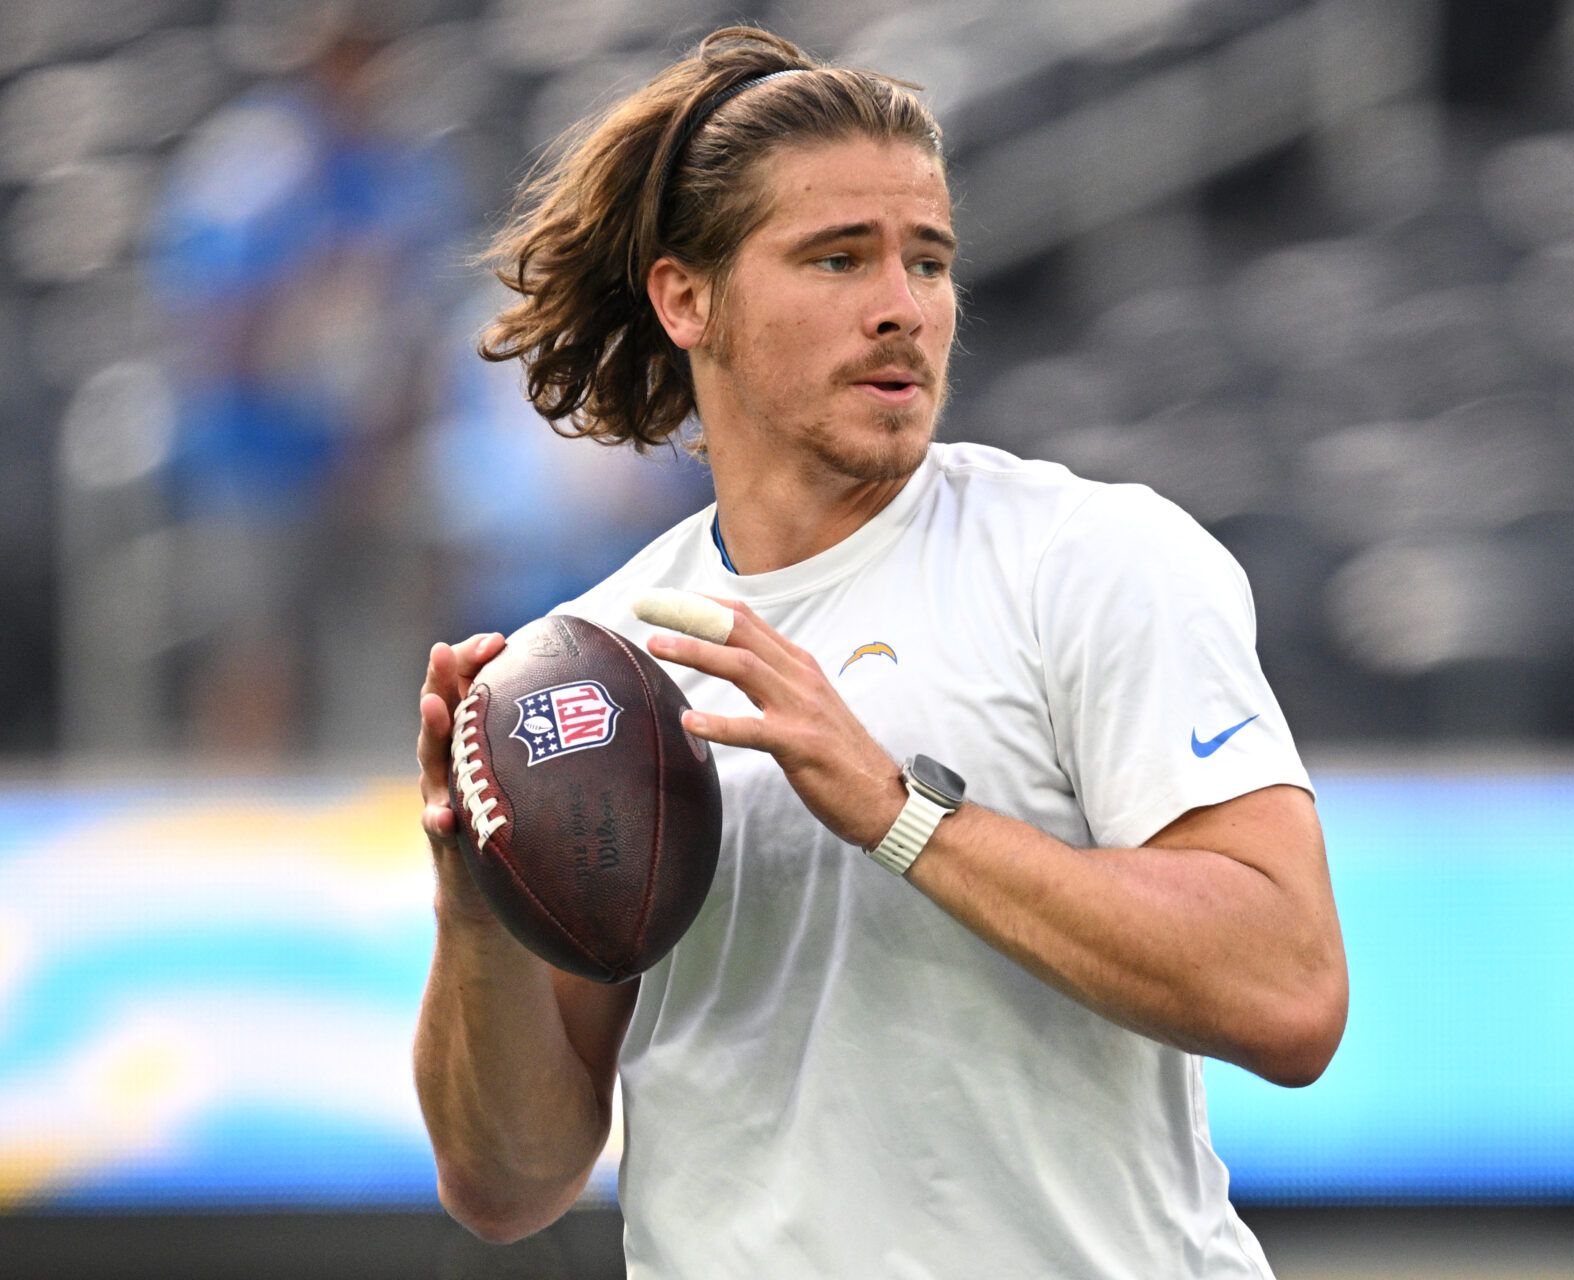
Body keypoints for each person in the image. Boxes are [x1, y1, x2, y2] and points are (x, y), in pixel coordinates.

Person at [412, 26, 1346, 1279]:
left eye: (929, 259)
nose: (902, 306)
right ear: (688, 298)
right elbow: (507, 1183)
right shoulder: (599, 668)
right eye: (838, 257)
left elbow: (1289, 992)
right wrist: (474, 894)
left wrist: (900, 815)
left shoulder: (1088, 557)